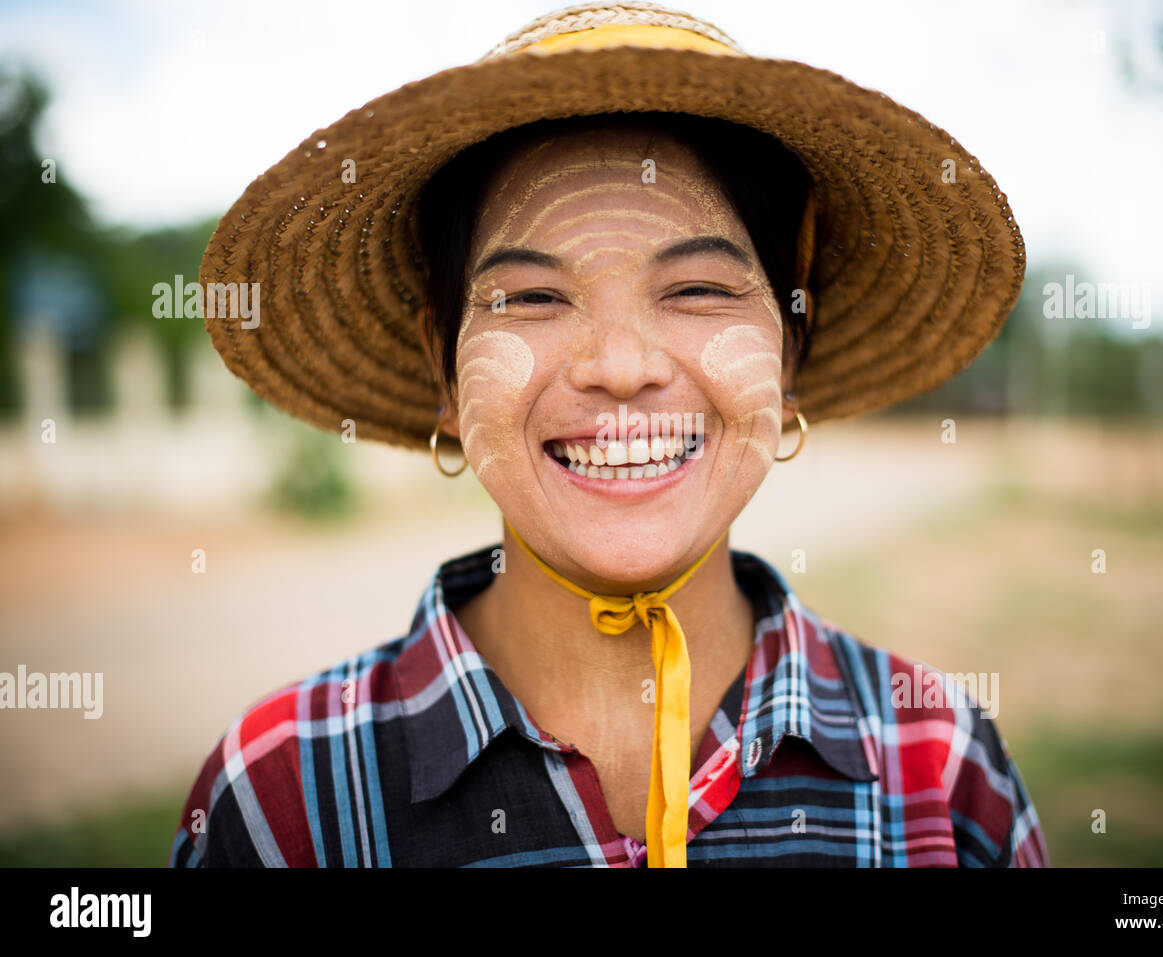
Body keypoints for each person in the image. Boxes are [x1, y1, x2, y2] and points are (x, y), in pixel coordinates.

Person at [170, 1, 1047, 867]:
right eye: (534, 297)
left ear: (789, 356)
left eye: (699, 288)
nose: (621, 367)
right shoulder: (284, 797)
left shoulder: (940, 767)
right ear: (445, 370)